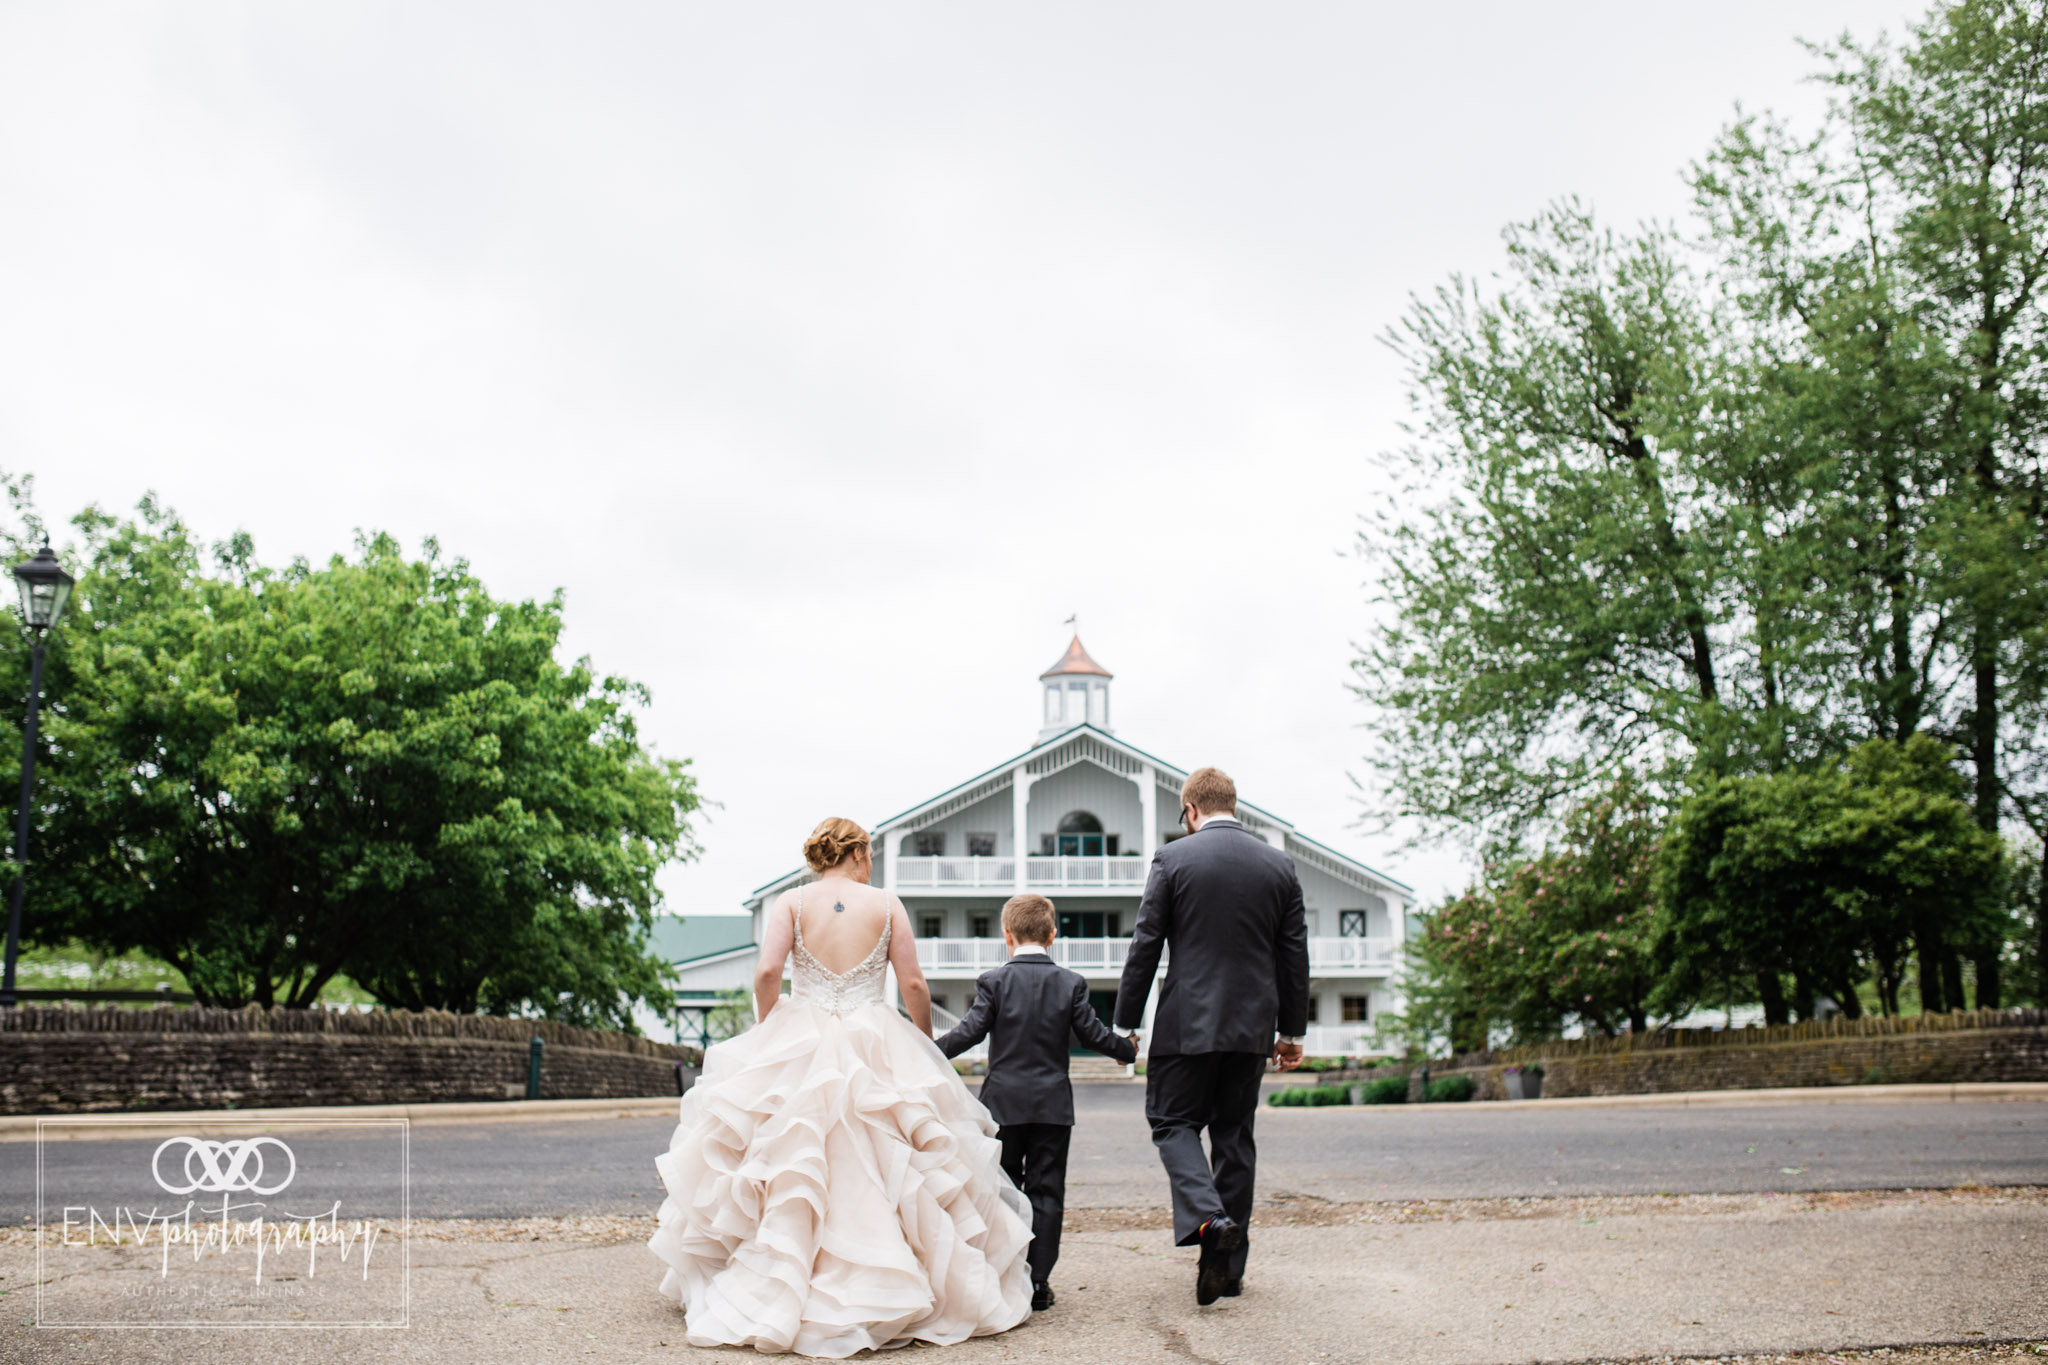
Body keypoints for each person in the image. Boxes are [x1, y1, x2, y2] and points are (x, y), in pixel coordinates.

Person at [648, 817, 1033, 1357]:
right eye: (869, 852)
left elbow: (766, 973)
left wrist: (769, 1029)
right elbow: (914, 983)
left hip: (802, 1034)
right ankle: (893, 1282)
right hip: (874, 1036)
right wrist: (920, 1043)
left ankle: (786, 1282)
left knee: (791, 1158)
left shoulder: (791, 903)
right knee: (891, 1161)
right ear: (855, 852)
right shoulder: (886, 903)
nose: (872, 862)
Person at [1113, 766, 1309, 1306]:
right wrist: (1291, 1032)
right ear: (1233, 805)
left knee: (1173, 1122)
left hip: (1185, 1023)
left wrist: (1125, 1023)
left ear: (1191, 810)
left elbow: (1146, 944)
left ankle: (1208, 1216)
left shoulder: (1173, 859)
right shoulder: (1279, 865)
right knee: (1233, 1138)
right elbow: (1294, 954)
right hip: (1251, 1028)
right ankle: (1229, 1266)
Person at [933, 893, 1137, 1312]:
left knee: (1003, 1189)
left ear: (1006, 936)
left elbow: (968, 1033)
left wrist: (923, 1051)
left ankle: (1006, 1276)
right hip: (1052, 1107)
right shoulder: (1070, 982)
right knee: (1047, 1193)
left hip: (1003, 1106)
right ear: (1052, 935)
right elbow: (1092, 1034)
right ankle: (1039, 1282)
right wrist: (1127, 1050)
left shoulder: (994, 981)